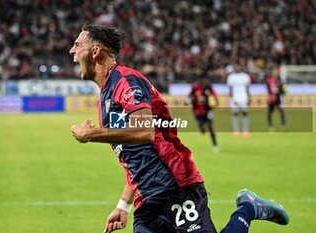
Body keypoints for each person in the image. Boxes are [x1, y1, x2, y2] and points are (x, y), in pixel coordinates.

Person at [69, 25, 289, 233]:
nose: (72, 50)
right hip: (146, 198)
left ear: (96, 51)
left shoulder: (126, 81)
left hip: (174, 185)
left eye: (78, 44)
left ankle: (248, 209)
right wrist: (123, 205)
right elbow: (134, 157)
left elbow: (145, 131)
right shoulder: (105, 97)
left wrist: (91, 134)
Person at [188, 78, 219, 152]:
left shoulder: (208, 88)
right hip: (198, 111)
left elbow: (215, 96)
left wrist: (215, 103)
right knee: (202, 130)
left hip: (207, 110)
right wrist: (188, 101)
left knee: (210, 127)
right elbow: (189, 97)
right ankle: (202, 128)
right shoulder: (194, 88)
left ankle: (215, 145)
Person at [226, 64, 251, 137]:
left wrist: (249, 97)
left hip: (244, 97)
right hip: (235, 98)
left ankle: (245, 131)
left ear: (241, 67)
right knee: (235, 114)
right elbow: (230, 89)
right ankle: (236, 131)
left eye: (238, 66)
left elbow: (247, 88)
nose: (237, 67)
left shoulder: (245, 76)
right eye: (236, 66)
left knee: (245, 114)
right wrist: (231, 98)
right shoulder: (231, 77)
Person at [266, 65, 286, 131]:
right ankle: (270, 126)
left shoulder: (280, 80)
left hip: (278, 98)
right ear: (272, 72)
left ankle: (283, 126)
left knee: (281, 111)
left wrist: (283, 92)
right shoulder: (269, 80)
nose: (276, 72)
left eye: (277, 71)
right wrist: (271, 95)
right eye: (275, 71)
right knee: (269, 112)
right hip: (272, 98)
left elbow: (283, 89)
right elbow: (268, 89)